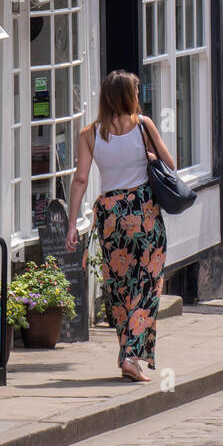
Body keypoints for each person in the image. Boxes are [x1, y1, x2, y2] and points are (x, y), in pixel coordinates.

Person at [66, 70, 173, 383]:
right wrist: (151, 155)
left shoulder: (88, 134)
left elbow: (81, 179)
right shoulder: (144, 126)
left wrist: (73, 224)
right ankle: (131, 356)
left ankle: (128, 353)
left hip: (111, 216)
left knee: (119, 286)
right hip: (145, 212)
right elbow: (170, 164)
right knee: (148, 284)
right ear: (130, 95)